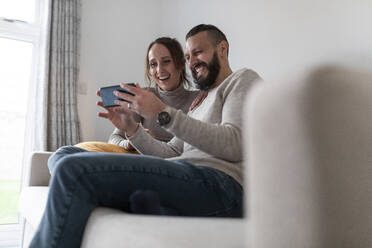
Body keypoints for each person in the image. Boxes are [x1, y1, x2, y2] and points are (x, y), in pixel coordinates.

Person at [29, 24, 262, 248]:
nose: (192, 62)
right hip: (187, 175)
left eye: (198, 52)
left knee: (72, 170)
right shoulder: (199, 103)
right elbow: (170, 153)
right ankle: (149, 204)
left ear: (222, 49)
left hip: (221, 186)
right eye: (188, 56)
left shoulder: (242, 79)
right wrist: (131, 128)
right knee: (67, 158)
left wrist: (162, 113)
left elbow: (234, 143)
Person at [74, 37, 200, 153]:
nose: (159, 70)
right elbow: (114, 137)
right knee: (69, 151)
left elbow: (178, 150)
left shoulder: (198, 100)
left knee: (71, 159)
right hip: (139, 157)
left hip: (160, 162)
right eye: (153, 64)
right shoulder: (145, 96)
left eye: (166, 61)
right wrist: (128, 143)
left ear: (181, 64)